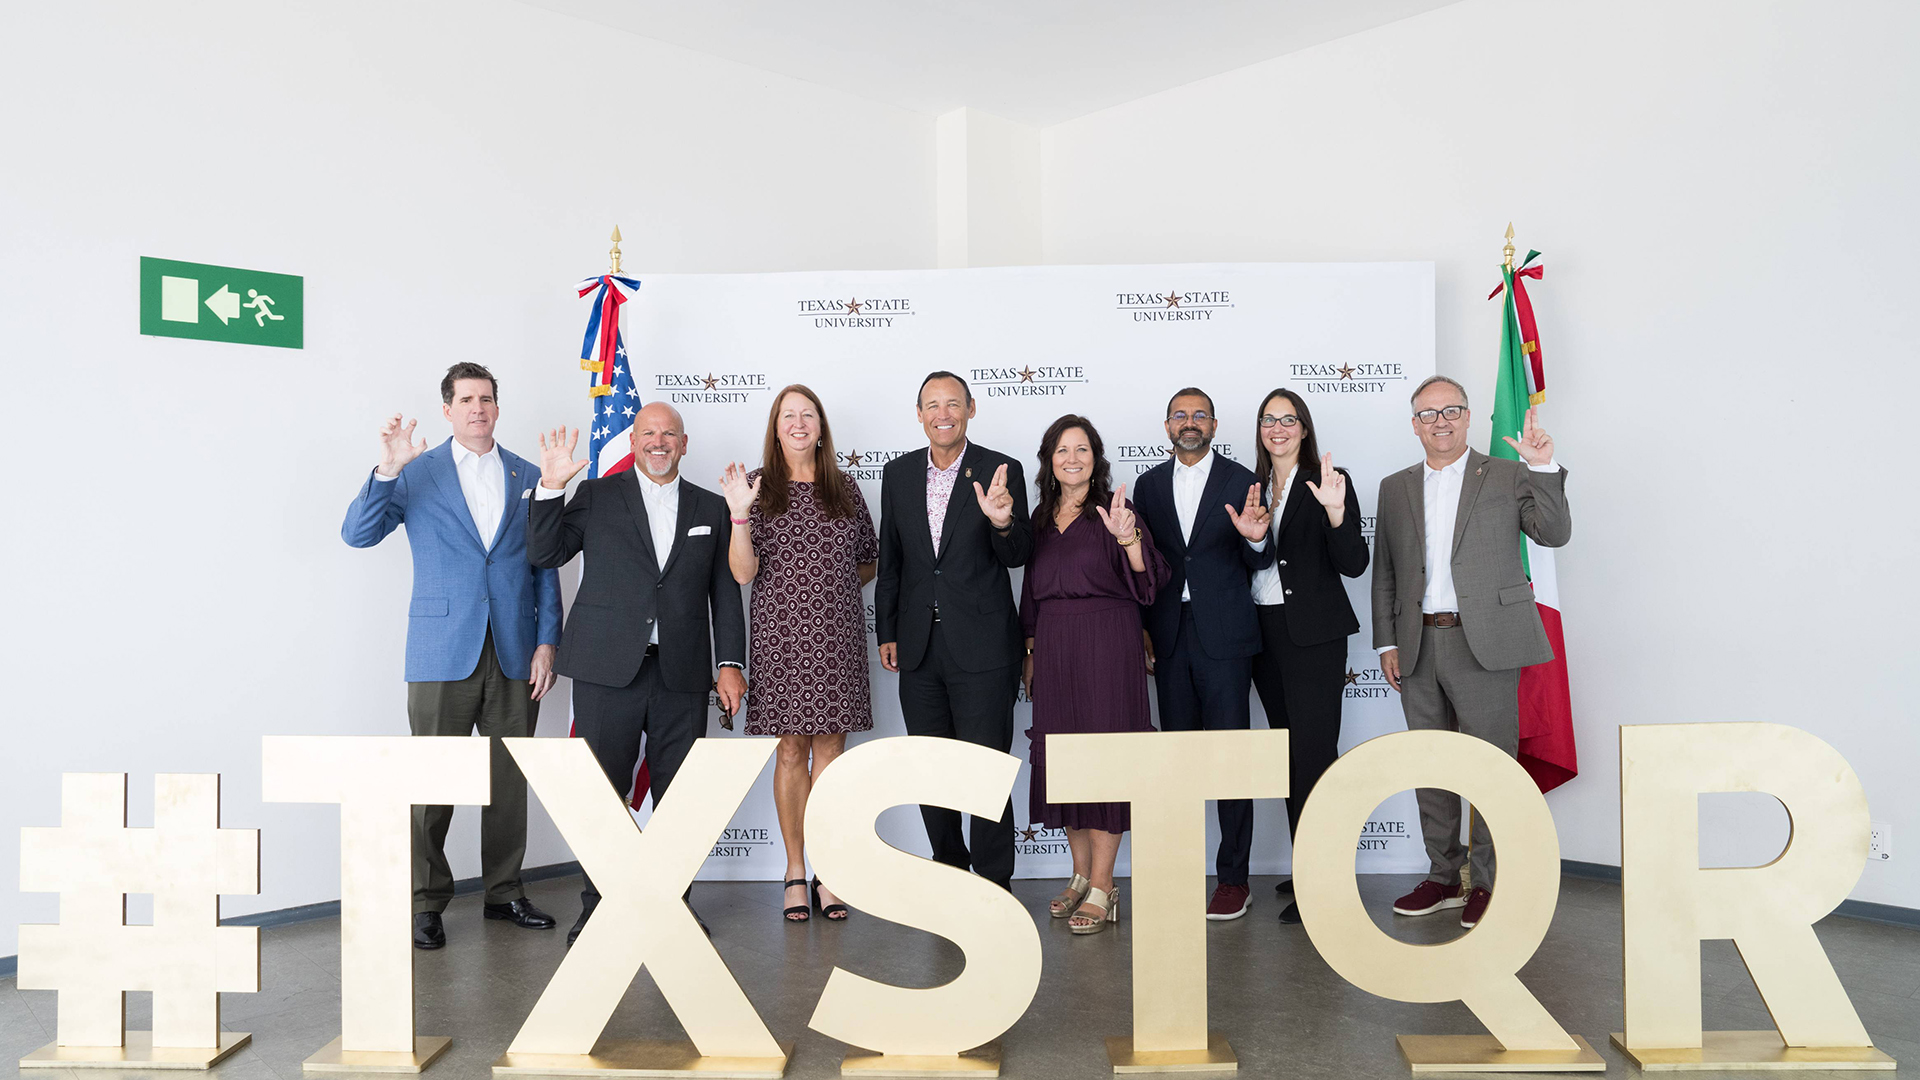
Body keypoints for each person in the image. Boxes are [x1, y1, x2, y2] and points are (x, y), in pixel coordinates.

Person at [341, 362, 561, 950]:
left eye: (486, 398)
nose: (477, 409)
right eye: (465, 400)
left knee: (508, 780)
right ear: (447, 409)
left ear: (497, 405)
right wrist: (388, 468)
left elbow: (543, 566)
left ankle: (504, 891)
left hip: (515, 649)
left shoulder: (528, 474)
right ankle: (425, 901)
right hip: (441, 650)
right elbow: (358, 534)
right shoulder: (418, 471)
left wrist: (548, 642)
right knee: (431, 781)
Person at [528, 402, 746, 946]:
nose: (658, 442)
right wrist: (550, 489)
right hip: (607, 669)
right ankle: (597, 907)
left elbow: (725, 592)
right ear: (634, 439)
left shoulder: (712, 507)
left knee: (681, 799)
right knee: (603, 794)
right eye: (648, 433)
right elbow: (545, 551)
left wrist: (730, 664)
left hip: (682, 673)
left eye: (668, 434)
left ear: (684, 443)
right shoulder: (599, 495)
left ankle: (675, 905)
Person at [1373, 375, 1570, 930]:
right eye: (1428, 413)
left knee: (1489, 768)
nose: (1441, 421)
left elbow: (1553, 534)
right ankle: (1443, 876)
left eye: (1451, 410)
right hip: (1416, 644)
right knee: (1430, 767)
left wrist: (1544, 468)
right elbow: (1386, 569)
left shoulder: (1507, 474)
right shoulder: (1395, 486)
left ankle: (1487, 882)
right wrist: (1387, 639)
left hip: (1486, 640)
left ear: (1466, 415)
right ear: (1415, 424)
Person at [719, 385, 878, 923]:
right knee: (791, 750)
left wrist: (825, 589)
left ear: (821, 426)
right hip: (780, 638)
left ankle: (828, 873)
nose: (799, 422)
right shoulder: (756, 490)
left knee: (831, 749)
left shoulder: (846, 488)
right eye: (789, 415)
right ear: (775, 426)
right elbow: (743, 573)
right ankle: (793, 871)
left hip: (836, 636)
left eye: (808, 414)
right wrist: (739, 516)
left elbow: (867, 562)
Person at [875, 371, 1032, 891]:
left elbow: (1017, 558)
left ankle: (994, 884)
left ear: (970, 408)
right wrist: (887, 631)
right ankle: (948, 873)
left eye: (953, 404)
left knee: (984, 772)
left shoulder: (998, 470)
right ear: (918, 414)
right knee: (930, 769)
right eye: (932, 405)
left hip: (984, 648)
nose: (943, 414)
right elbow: (891, 561)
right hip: (918, 647)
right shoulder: (896, 474)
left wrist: (1003, 522)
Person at [1019, 416, 1168, 934]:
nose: (1072, 458)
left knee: (1108, 762)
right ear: (1050, 460)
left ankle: (1105, 885)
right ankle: (1080, 875)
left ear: (1096, 458)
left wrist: (1128, 541)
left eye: (1082, 449)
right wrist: (1031, 649)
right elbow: (1030, 596)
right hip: (1055, 647)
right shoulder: (1039, 519)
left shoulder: (1116, 512)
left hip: (1109, 643)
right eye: (1062, 450)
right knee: (1066, 763)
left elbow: (1151, 583)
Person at [1132, 386, 1274, 921]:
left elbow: (1260, 558)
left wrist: (1257, 540)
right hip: (1168, 637)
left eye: (1199, 415)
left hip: (1226, 640)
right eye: (1179, 415)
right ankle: (1178, 870)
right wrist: (1143, 630)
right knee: (1179, 761)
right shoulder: (1146, 486)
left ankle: (1234, 878)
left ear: (1214, 425)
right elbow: (1140, 563)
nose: (1189, 422)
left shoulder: (1243, 481)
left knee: (1230, 761)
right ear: (1167, 426)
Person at [1245, 388, 1369, 925]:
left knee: (1316, 754)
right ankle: (1308, 864)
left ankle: (1326, 880)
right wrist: (1253, 541)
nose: (1279, 428)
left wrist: (1338, 514)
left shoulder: (1328, 483)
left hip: (1314, 636)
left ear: (1303, 427)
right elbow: (1253, 559)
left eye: (1288, 419)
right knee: (1288, 757)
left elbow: (1355, 563)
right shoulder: (1251, 486)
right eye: (1269, 420)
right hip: (1262, 632)